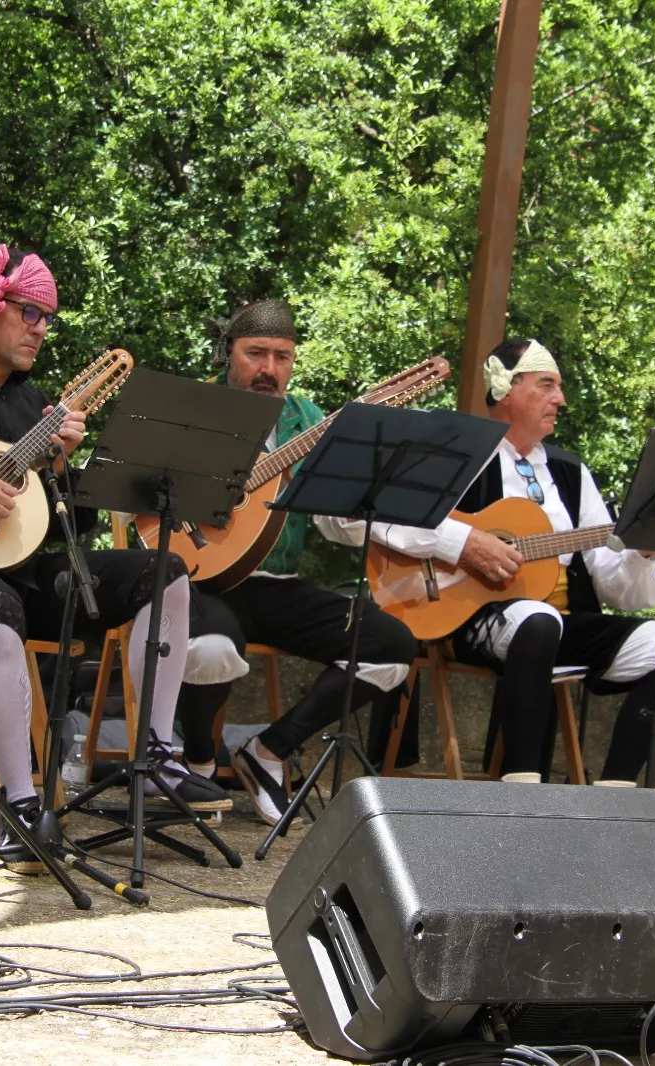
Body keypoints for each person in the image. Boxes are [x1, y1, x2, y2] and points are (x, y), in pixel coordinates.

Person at [0, 244, 231, 873]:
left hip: (26, 570)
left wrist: (58, 468)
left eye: (48, 319)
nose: (41, 331)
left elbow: (66, 527)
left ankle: (156, 757)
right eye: (30, 314)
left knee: (162, 573)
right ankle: (20, 806)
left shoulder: (38, 405)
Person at [354, 338, 655, 786]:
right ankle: (521, 785)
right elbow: (387, 515)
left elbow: (615, 587)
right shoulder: (461, 455)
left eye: (559, 387)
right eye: (547, 384)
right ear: (505, 387)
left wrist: (643, 550)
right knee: (538, 620)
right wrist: (465, 542)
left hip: (561, 623)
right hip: (473, 616)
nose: (561, 399)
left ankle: (617, 790)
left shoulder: (572, 472)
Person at [167, 299, 419, 826]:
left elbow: (334, 525)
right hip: (202, 578)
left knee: (392, 646)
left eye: (282, 356)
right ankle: (197, 764)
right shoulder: (193, 408)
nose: (269, 369)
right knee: (210, 648)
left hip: (276, 583)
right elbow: (148, 494)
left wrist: (362, 479)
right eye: (255, 353)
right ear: (228, 354)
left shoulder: (307, 419)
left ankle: (269, 752)